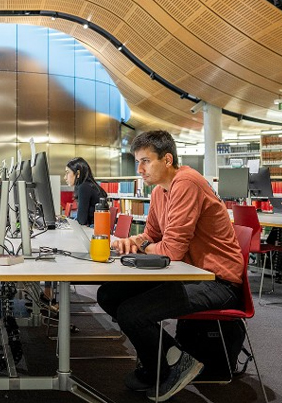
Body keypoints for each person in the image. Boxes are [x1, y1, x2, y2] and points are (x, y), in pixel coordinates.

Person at [97, 130, 245, 402]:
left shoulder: (187, 182)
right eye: (137, 162)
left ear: (167, 159)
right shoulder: (158, 193)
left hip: (217, 280)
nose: (139, 169)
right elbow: (152, 235)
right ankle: (166, 362)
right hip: (189, 274)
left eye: (145, 161)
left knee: (132, 313)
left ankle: (171, 366)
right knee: (108, 294)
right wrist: (132, 241)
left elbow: (172, 250)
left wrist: (142, 246)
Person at [65, 157, 107, 226]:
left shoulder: (84, 187)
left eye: (67, 173)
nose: (65, 177)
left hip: (94, 231)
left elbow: (81, 220)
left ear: (78, 173)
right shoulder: (88, 185)